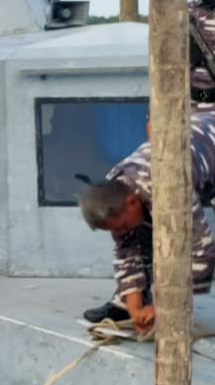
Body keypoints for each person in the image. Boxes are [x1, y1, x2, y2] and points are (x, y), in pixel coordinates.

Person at [84, 0, 215, 322]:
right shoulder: (185, 16)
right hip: (186, 111)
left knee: (182, 216)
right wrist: (155, 112)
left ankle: (175, 302)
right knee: (140, 211)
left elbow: (199, 243)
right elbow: (164, 70)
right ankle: (130, 302)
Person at [77, 112, 215, 333]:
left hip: (209, 144)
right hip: (192, 151)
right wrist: (135, 308)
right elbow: (126, 250)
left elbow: (202, 250)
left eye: (121, 226)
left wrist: (163, 308)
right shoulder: (114, 187)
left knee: (175, 238)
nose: (121, 232)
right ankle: (125, 303)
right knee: (138, 233)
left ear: (132, 201)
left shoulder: (170, 188)